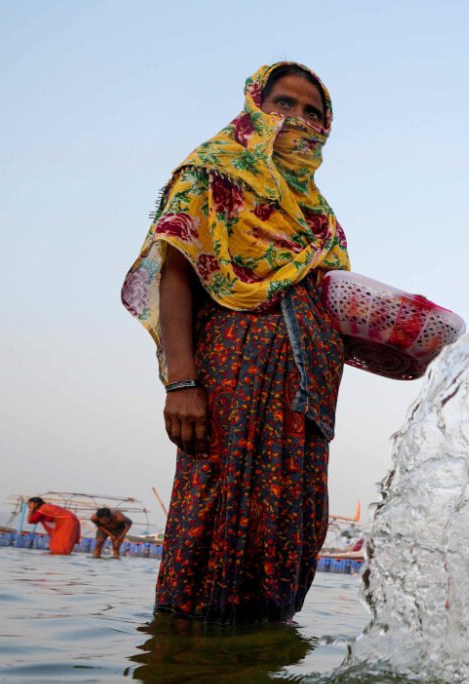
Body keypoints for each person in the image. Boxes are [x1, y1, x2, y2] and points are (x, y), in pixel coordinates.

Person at [121, 62, 351, 624]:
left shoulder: (319, 216)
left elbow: (336, 303)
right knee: (216, 512)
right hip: (234, 375)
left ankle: (261, 665)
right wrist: (181, 382)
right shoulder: (214, 172)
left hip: (306, 397)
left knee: (290, 527)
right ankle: (185, 661)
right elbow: (176, 273)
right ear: (255, 106)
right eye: (284, 103)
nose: (298, 119)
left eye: (313, 112)